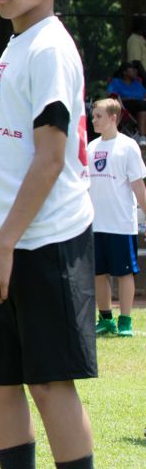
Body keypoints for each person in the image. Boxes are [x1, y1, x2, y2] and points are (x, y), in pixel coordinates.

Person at [0, 0, 97, 469]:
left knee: (49, 384)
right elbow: (7, 149)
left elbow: (48, 159)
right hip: (12, 238)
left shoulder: (49, 47)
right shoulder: (17, 45)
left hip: (47, 241)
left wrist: (6, 246)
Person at [87, 98, 146, 337]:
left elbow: (138, 186)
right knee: (99, 272)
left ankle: (125, 321)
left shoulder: (128, 146)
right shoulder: (91, 148)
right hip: (95, 224)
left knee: (124, 272)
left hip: (121, 223)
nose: (94, 120)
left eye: (98, 116)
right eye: (93, 116)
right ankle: (106, 319)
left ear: (114, 117)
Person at [106, 62, 146, 144]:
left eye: (136, 70)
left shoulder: (137, 83)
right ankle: (142, 136)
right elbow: (112, 96)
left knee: (142, 104)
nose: (136, 72)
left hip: (140, 105)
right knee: (142, 105)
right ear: (125, 72)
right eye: (132, 69)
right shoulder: (116, 82)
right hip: (124, 106)